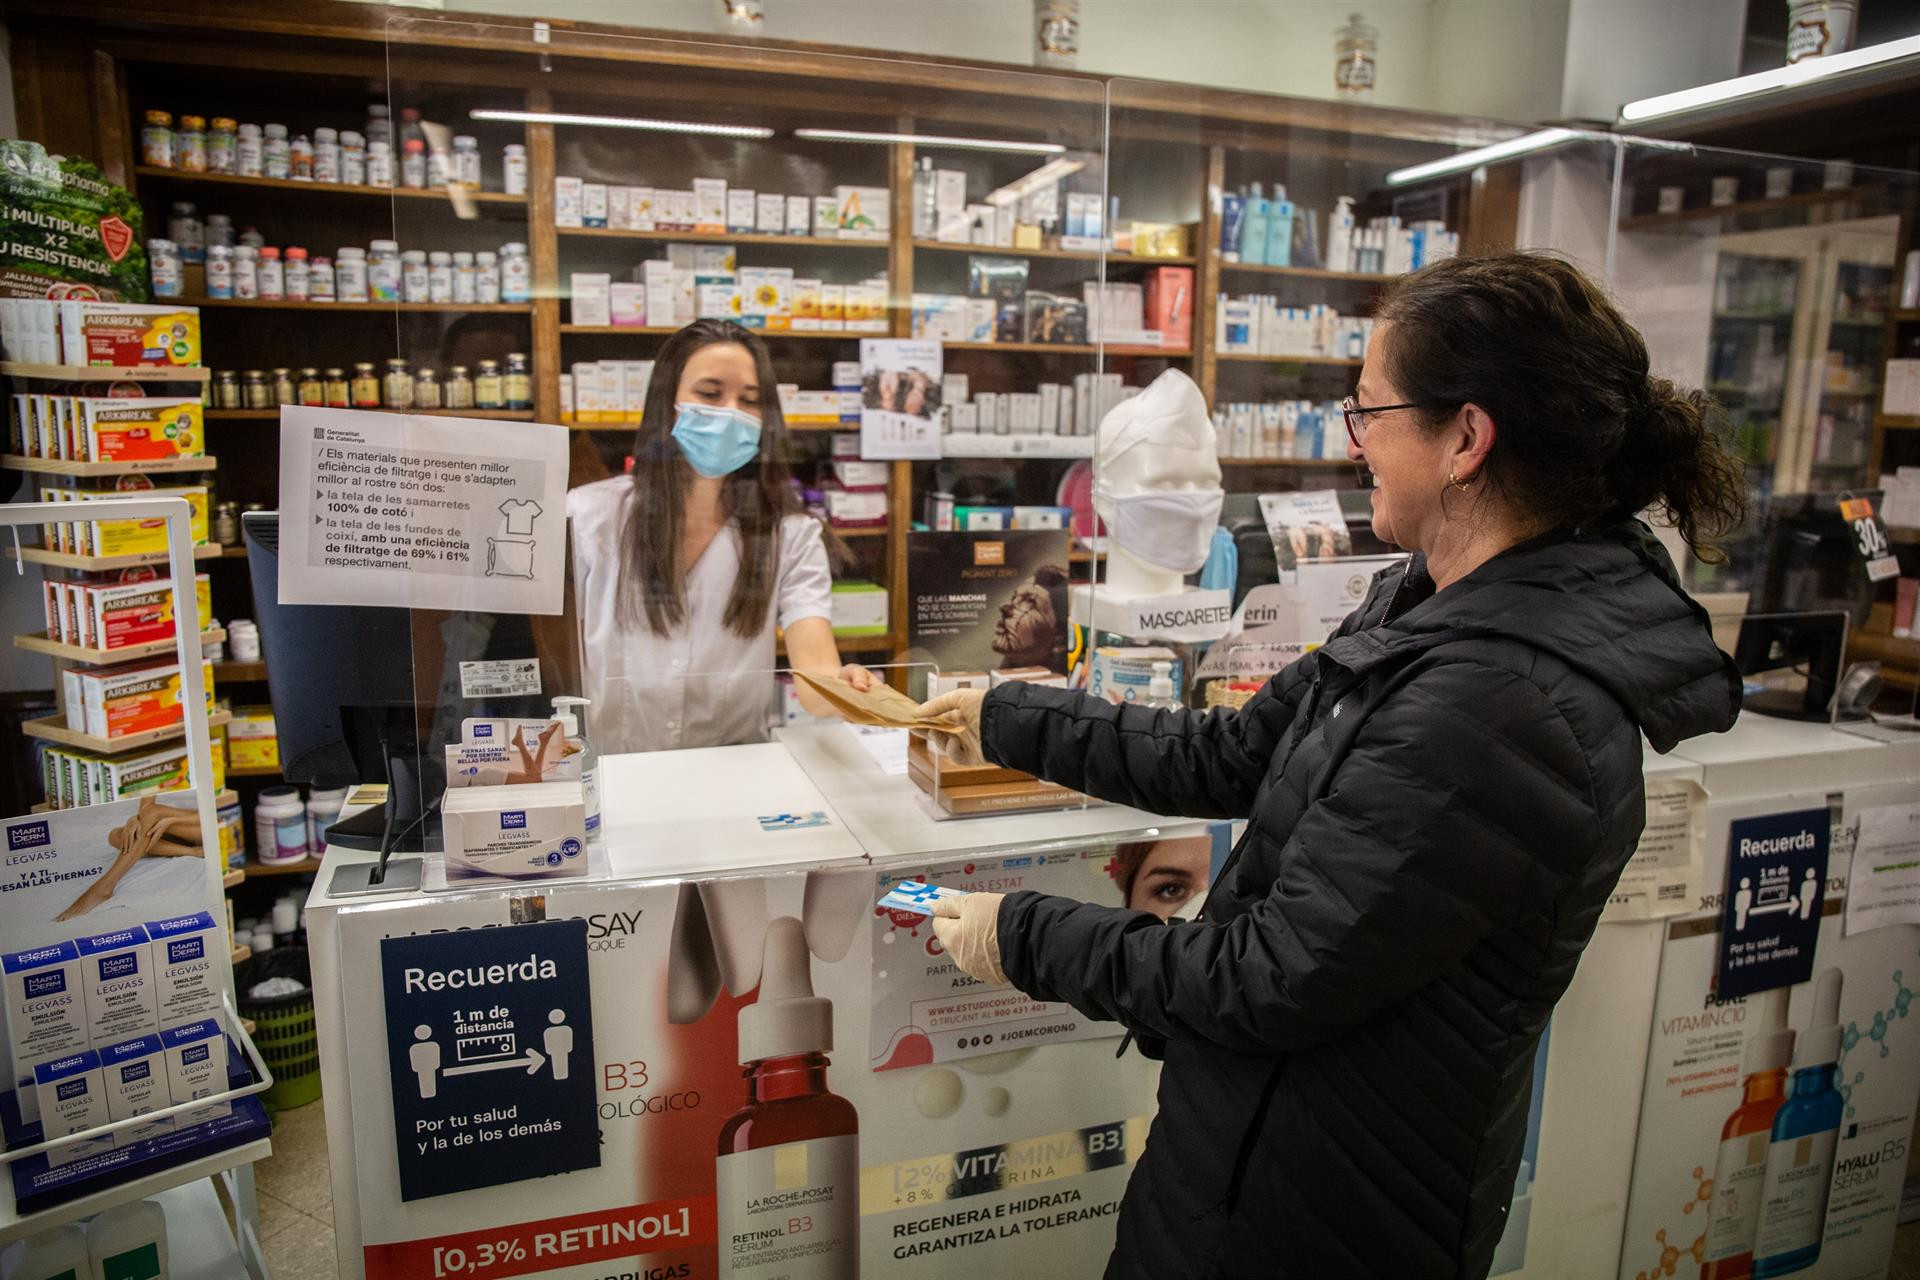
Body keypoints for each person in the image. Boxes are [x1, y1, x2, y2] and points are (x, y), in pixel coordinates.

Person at [922, 253, 1746, 1280]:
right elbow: (1236, 751)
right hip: (1259, 1152)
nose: (1351, 443)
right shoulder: (1435, 599)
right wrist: (1009, 715)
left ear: (1466, 439)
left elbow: (1269, 976)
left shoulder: (1495, 699)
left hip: (1324, 1205)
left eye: (1367, 412)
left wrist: (1026, 933)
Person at [568, 319, 866, 753]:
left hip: (734, 783)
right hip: (613, 779)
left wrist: (845, 687)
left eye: (750, 400)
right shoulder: (589, 517)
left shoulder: (791, 535)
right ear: (666, 402)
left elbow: (818, 676)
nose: (730, 413)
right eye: (710, 394)